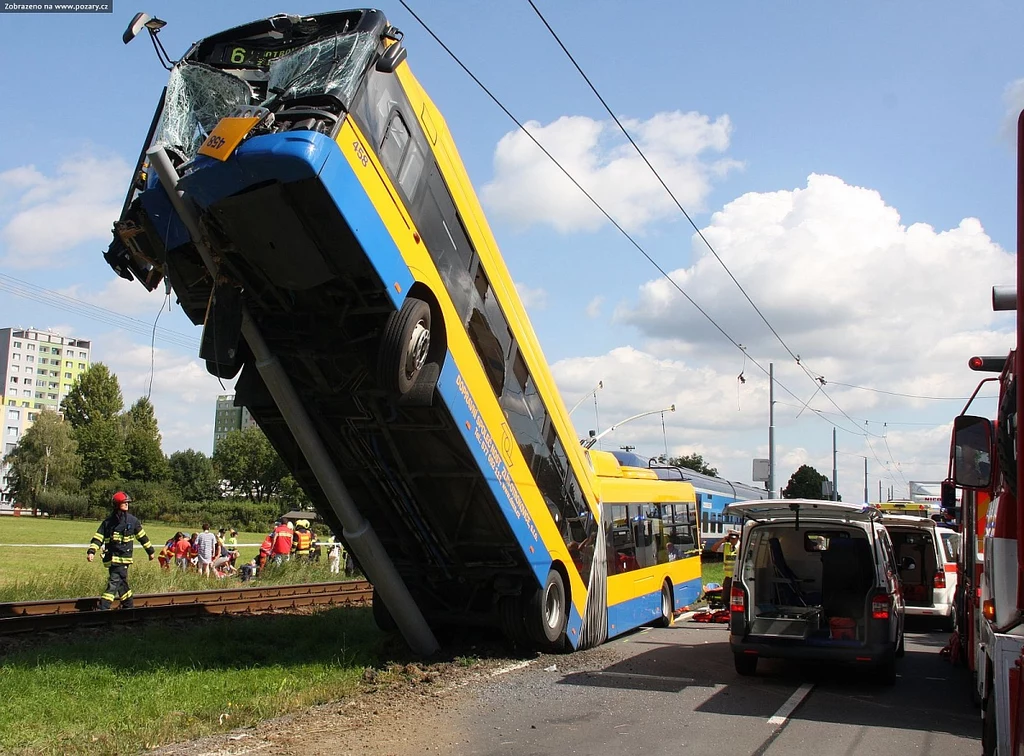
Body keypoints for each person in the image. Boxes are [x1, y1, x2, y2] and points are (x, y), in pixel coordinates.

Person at [86, 491, 155, 610]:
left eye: (128, 503)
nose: (127, 504)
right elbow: (98, 537)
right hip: (111, 558)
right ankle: (129, 607)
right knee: (122, 584)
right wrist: (91, 551)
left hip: (124, 558)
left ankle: (103, 607)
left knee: (114, 582)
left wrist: (150, 551)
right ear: (117, 504)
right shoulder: (108, 522)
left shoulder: (132, 521)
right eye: (125, 502)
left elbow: (142, 537)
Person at [714, 531, 741, 604]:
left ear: (738, 538)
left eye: (733, 539)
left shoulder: (741, 546)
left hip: (738, 577)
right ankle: (726, 610)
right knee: (725, 597)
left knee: (736, 598)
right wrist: (722, 540)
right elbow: (713, 549)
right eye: (730, 538)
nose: (731, 540)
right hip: (728, 577)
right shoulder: (726, 546)